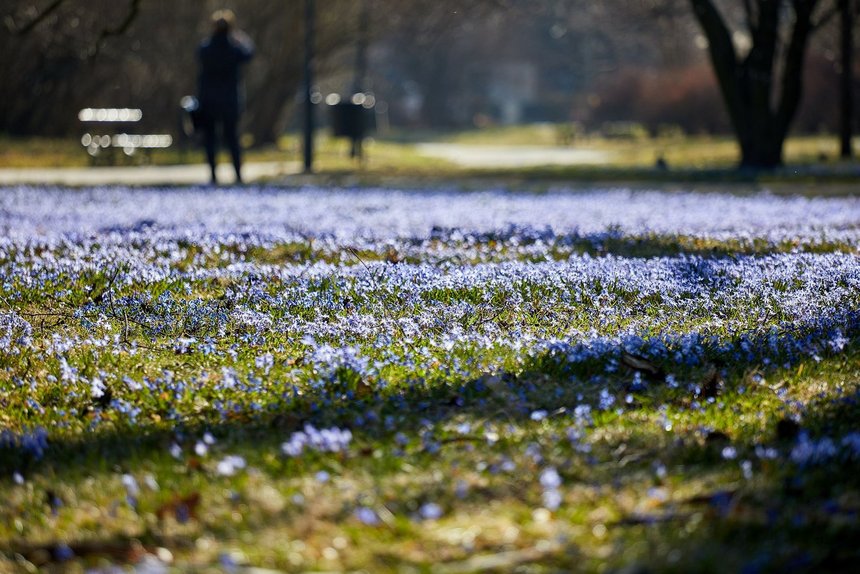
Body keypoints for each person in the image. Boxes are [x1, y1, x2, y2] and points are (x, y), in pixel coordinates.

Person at [197, 9, 254, 185]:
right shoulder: (234, 49)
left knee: (210, 138)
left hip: (209, 99)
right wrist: (242, 39)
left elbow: (198, 55)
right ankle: (237, 174)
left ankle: (213, 175)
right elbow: (249, 53)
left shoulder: (206, 48)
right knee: (232, 137)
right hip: (230, 100)